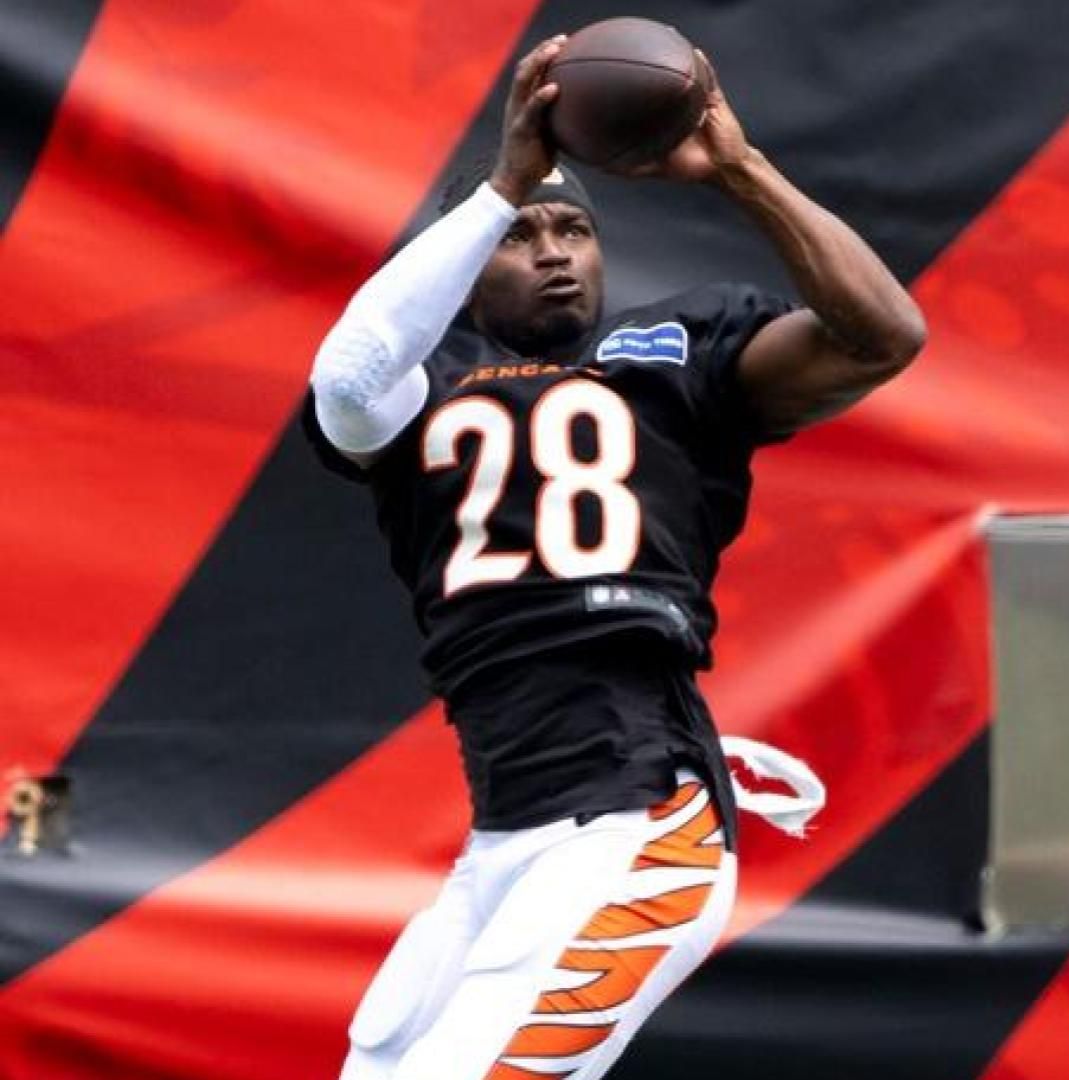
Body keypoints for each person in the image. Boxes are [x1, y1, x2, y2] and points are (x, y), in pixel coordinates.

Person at [303, 34, 924, 1080]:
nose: (553, 249)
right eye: (521, 235)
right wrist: (504, 178)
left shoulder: (680, 353)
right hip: (506, 838)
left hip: (636, 818)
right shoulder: (422, 385)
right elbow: (353, 372)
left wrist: (738, 166)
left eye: (573, 228)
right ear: (466, 260)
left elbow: (883, 336)